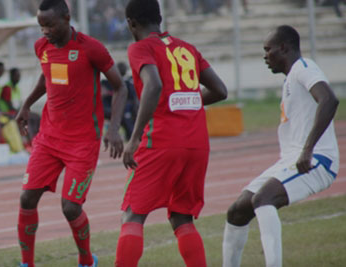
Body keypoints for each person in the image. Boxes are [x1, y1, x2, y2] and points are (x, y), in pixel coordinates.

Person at [14, 1, 128, 266]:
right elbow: (47, 78)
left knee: (70, 207)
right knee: (27, 198)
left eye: (50, 25)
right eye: (41, 25)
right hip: (49, 137)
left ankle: (87, 260)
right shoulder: (42, 47)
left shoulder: (91, 48)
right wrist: (26, 104)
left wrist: (113, 129)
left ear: (67, 18)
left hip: (82, 142)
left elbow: (120, 88)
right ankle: (26, 263)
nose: (45, 31)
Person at [116, 1, 228, 266]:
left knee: (132, 216)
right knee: (181, 217)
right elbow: (220, 90)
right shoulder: (187, 48)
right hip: (197, 144)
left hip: (163, 142)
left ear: (131, 23)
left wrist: (133, 139)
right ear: (160, 18)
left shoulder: (140, 48)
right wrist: (183, 99)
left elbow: (153, 85)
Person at [222, 25, 339, 267]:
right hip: (289, 160)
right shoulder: (290, 79)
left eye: (268, 50)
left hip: (317, 159)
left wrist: (308, 150)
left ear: (284, 48)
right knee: (237, 211)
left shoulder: (304, 68)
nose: (265, 56)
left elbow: (329, 99)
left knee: (263, 199)